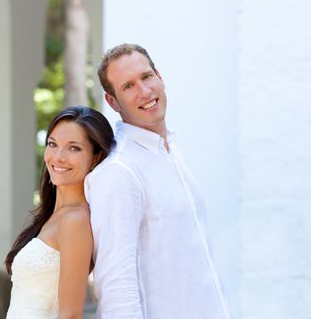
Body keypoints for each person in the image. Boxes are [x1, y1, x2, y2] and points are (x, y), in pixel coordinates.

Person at [84, 44, 231, 318]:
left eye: (147, 77)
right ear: (113, 101)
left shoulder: (170, 150)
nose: (144, 91)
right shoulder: (120, 171)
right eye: (128, 86)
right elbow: (115, 285)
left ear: (160, 76)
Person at [5, 105, 115, 319]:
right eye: (52, 144)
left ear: (95, 157)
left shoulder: (76, 220)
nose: (58, 157)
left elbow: (70, 315)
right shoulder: (52, 216)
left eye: (73, 148)